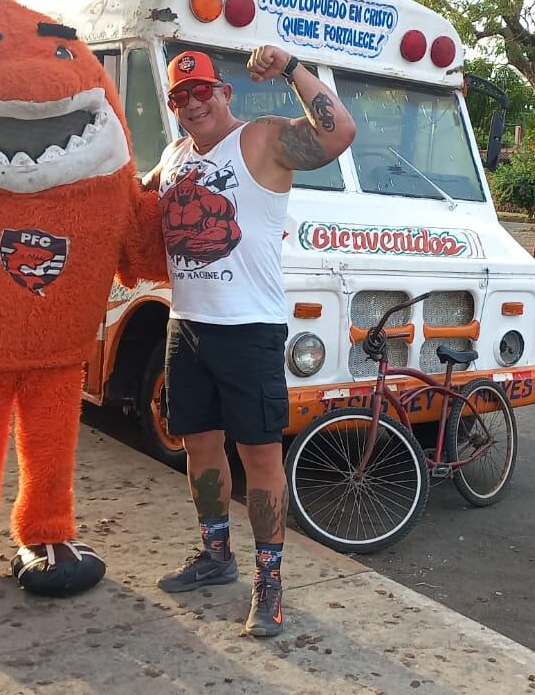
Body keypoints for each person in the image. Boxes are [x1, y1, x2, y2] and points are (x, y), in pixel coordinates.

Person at [140, 45, 356, 637]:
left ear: (224, 92)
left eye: (202, 90)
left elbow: (338, 135)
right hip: (186, 326)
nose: (192, 103)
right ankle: (215, 554)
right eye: (180, 96)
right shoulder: (175, 156)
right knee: (199, 446)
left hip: (249, 330)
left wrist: (290, 68)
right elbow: (137, 203)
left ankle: (270, 579)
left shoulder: (261, 140)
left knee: (261, 457)